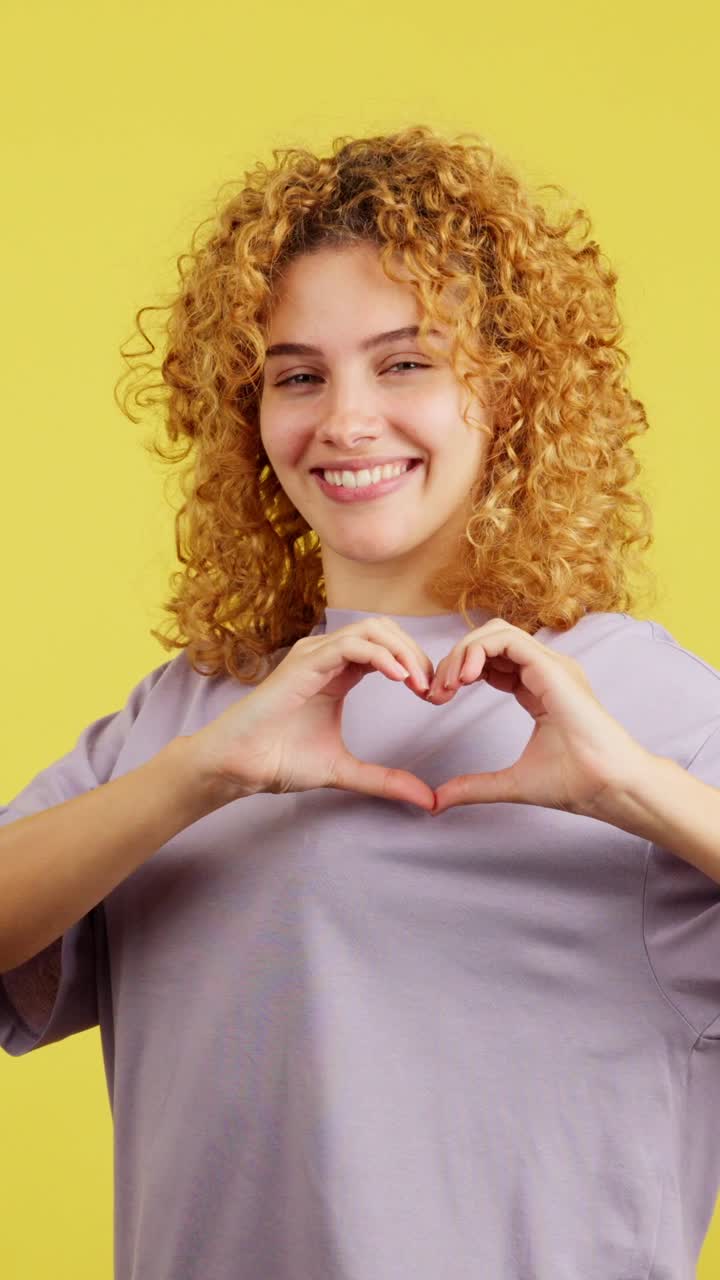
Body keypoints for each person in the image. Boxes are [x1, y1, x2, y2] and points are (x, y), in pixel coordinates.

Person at [2, 123, 720, 1279]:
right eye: (298, 374)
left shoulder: (644, 704)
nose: (344, 419)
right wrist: (201, 775)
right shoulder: (195, 710)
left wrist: (638, 787)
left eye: (405, 361)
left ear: (511, 385)